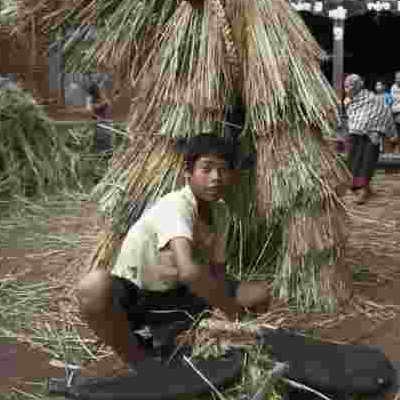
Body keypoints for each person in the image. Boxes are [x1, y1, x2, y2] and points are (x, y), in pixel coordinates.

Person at [75, 134, 271, 370]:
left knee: (258, 294)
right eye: (206, 169)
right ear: (188, 175)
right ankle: (140, 362)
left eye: (223, 170)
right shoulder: (175, 205)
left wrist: (221, 316)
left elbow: (218, 273)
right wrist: (233, 312)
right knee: (93, 287)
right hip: (139, 297)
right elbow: (188, 271)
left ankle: (170, 335)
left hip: (179, 295)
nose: (216, 178)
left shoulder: (221, 214)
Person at [345, 73, 396, 204]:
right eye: (345, 86)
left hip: (371, 136)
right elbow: (353, 118)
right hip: (355, 136)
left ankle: (363, 191)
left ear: (357, 87)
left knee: (367, 162)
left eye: (350, 86)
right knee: (353, 161)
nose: (347, 89)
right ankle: (362, 187)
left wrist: (391, 135)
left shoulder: (373, 98)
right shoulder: (348, 101)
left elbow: (385, 112)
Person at [86, 82, 113, 155]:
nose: (99, 91)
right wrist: (97, 117)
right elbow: (90, 111)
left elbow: (108, 105)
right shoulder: (90, 98)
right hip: (100, 122)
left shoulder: (102, 96)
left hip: (106, 121)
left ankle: (107, 152)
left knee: (107, 139)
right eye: (97, 90)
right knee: (101, 139)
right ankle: (101, 152)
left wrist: (104, 103)